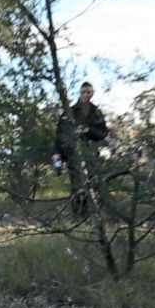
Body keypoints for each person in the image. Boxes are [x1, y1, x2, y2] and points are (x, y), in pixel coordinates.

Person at [52, 82, 109, 211]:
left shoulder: (96, 112)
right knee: (76, 185)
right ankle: (78, 213)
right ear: (80, 93)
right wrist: (56, 153)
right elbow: (59, 135)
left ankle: (93, 212)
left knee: (93, 183)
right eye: (83, 92)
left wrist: (88, 130)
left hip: (91, 155)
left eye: (88, 92)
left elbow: (103, 133)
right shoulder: (69, 112)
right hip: (72, 154)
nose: (86, 95)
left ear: (92, 93)